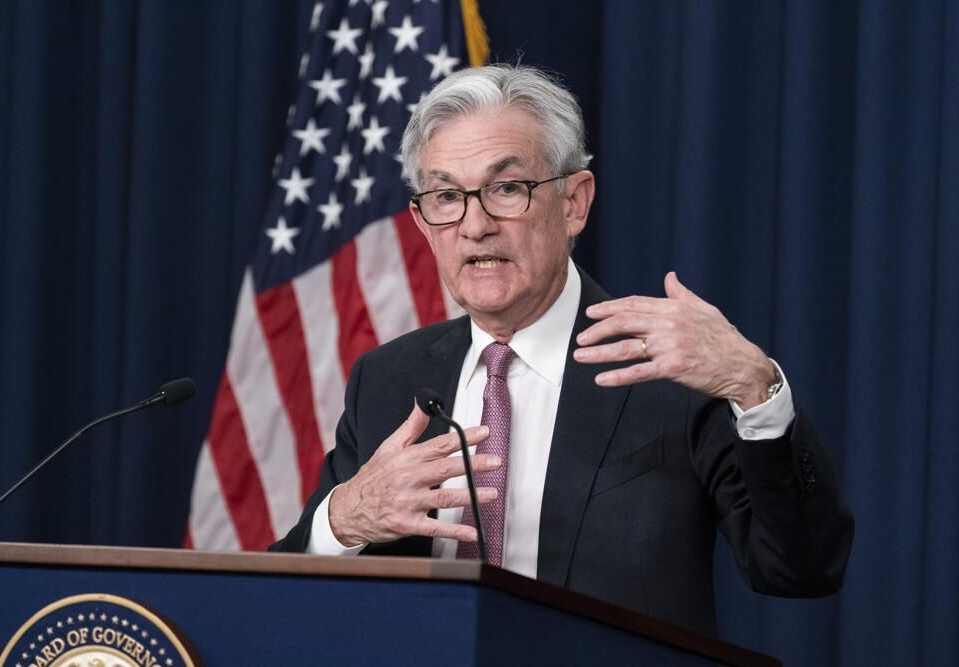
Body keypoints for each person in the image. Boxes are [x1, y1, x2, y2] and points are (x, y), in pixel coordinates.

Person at [269, 64, 853, 637]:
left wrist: (755, 388)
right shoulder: (387, 377)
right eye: (446, 196)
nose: (474, 226)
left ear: (574, 202)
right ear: (423, 221)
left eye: (505, 189)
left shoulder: (670, 369)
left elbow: (800, 570)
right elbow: (285, 597)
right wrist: (345, 518)